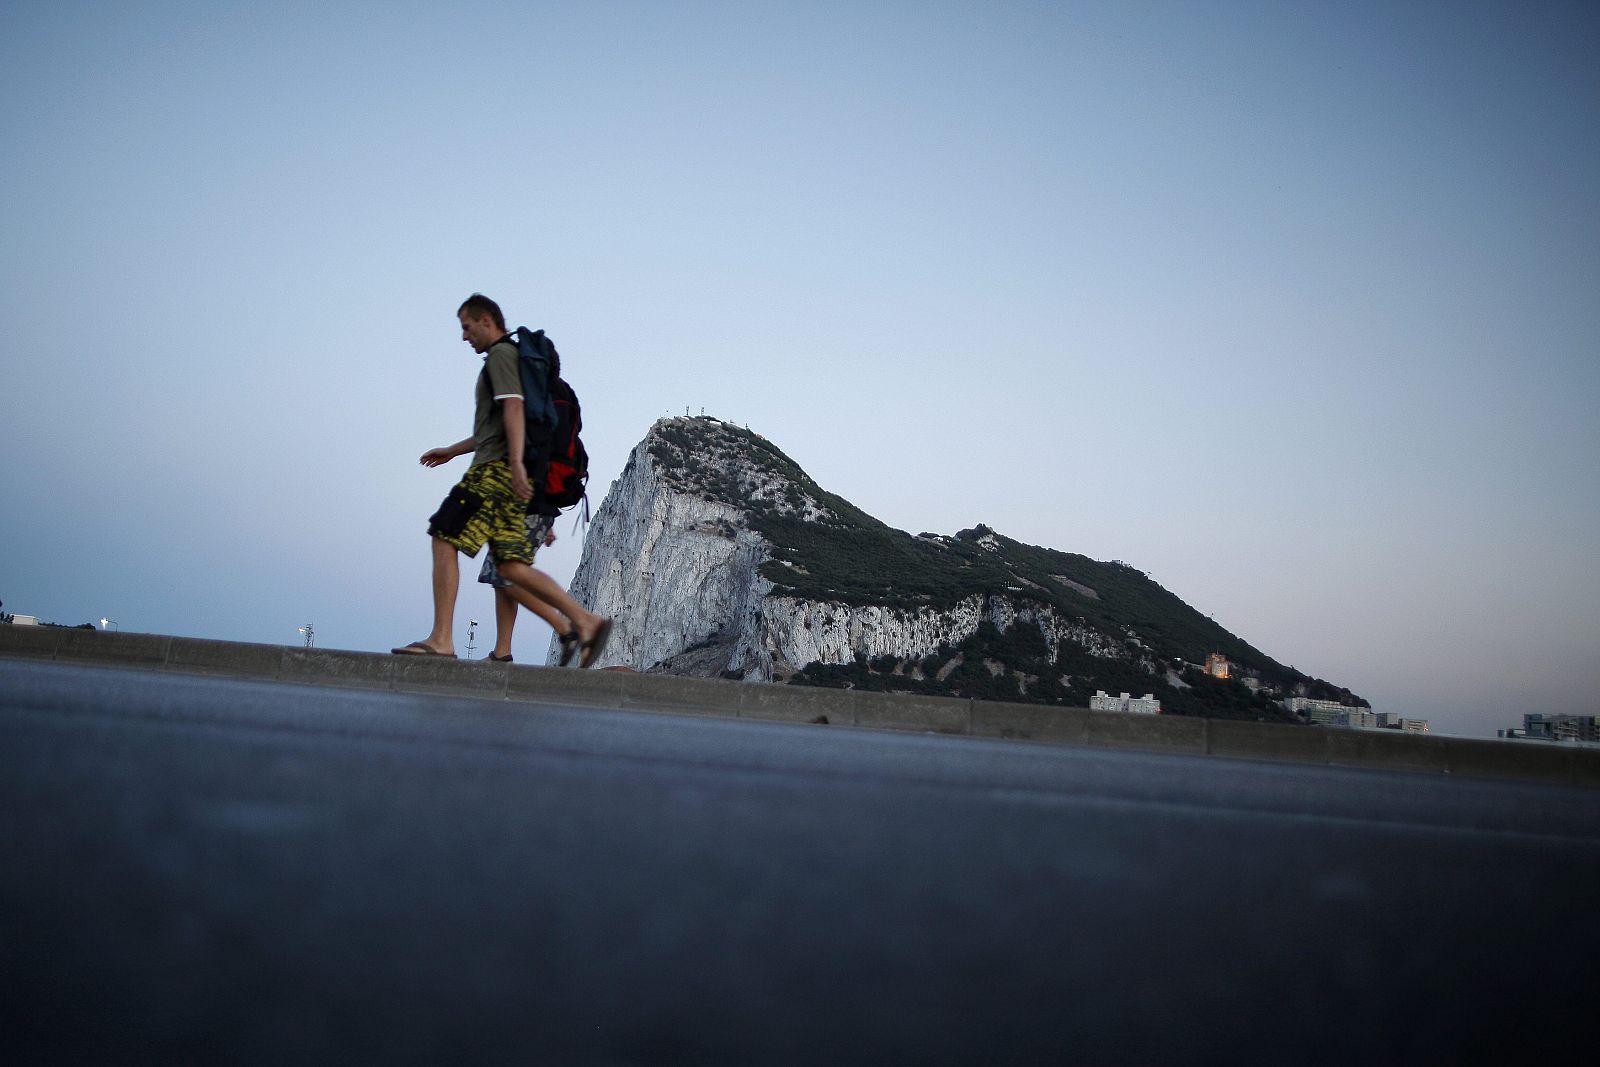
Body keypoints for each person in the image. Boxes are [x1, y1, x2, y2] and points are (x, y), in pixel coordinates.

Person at [391, 293, 611, 666]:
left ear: (487, 321)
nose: (464, 336)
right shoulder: (513, 360)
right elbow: (499, 424)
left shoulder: (501, 356)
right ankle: (586, 622)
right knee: (510, 567)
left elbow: (512, 409)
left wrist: (515, 465)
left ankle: (441, 638)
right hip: (508, 474)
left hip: (493, 473)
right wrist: (453, 450)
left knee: (444, 537)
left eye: (466, 326)